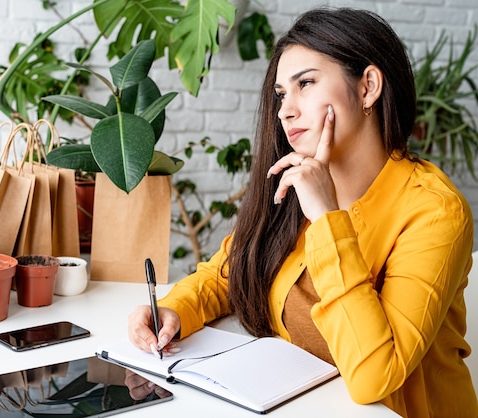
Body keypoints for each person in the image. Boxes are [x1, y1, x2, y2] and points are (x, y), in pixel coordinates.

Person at [127, 7, 477, 418]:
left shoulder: (435, 211)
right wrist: (174, 310)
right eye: (280, 94)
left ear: (367, 87)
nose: (284, 111)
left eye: (305, 84)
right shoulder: (298, 181)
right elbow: (229, 271)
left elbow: (374, 377)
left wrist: (328, 218)